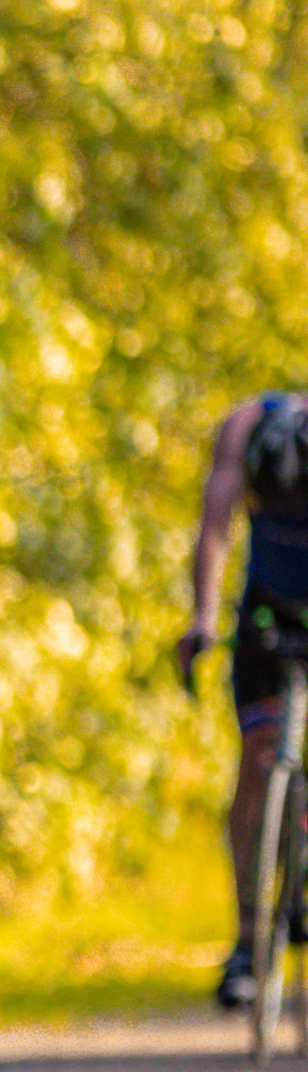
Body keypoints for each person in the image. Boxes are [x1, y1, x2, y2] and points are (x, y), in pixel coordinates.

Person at [176, 390, 308, 1007]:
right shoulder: (245, 428)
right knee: (255, 760)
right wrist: (203, 616)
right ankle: (246, 936)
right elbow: (214, 530)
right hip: (269, 606)